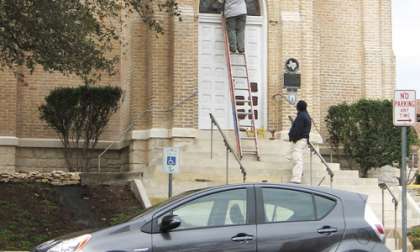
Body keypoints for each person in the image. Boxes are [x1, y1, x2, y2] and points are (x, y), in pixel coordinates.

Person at [288, 100, 312, 184]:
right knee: (294, 156)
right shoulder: (305, 115)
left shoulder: (302, 116)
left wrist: (292, 137)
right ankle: (299, 173)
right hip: (302, 140)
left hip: (299, 140)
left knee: (297, 158)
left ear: (298, 107)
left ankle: (296, 178)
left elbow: (297, 129)